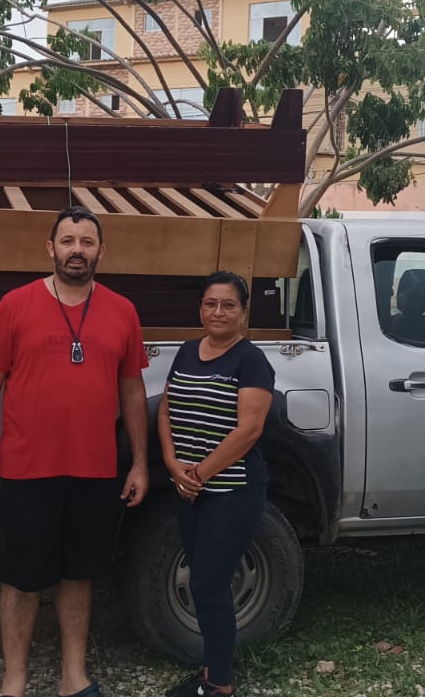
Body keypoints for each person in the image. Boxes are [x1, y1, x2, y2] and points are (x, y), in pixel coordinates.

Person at [0, 206, 150, 697]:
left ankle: (73, 677)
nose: (77, 251)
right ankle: (14, 680)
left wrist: (139, 463)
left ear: (101, 251)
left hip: (95, 470)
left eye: (86, 242)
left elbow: (132, 391)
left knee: (79, 576)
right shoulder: (15, 305)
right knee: (20, 580)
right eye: (67, 241)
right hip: (27, 470)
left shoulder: (123, 311)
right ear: (51, 248)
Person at [159, 271, 276, 697]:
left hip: (232, 493)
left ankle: (220, 684)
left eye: (229, 305)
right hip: (189, 488)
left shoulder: (251, 361)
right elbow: (166, 409)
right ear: (201, 309)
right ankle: (211, 672)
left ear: (243, 312)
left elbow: (249, 430)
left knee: (210, 583)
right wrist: (173, 465)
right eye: (211, 303)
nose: (218, 312)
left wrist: (199, 474)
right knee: (201, 581)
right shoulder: (186, 352)